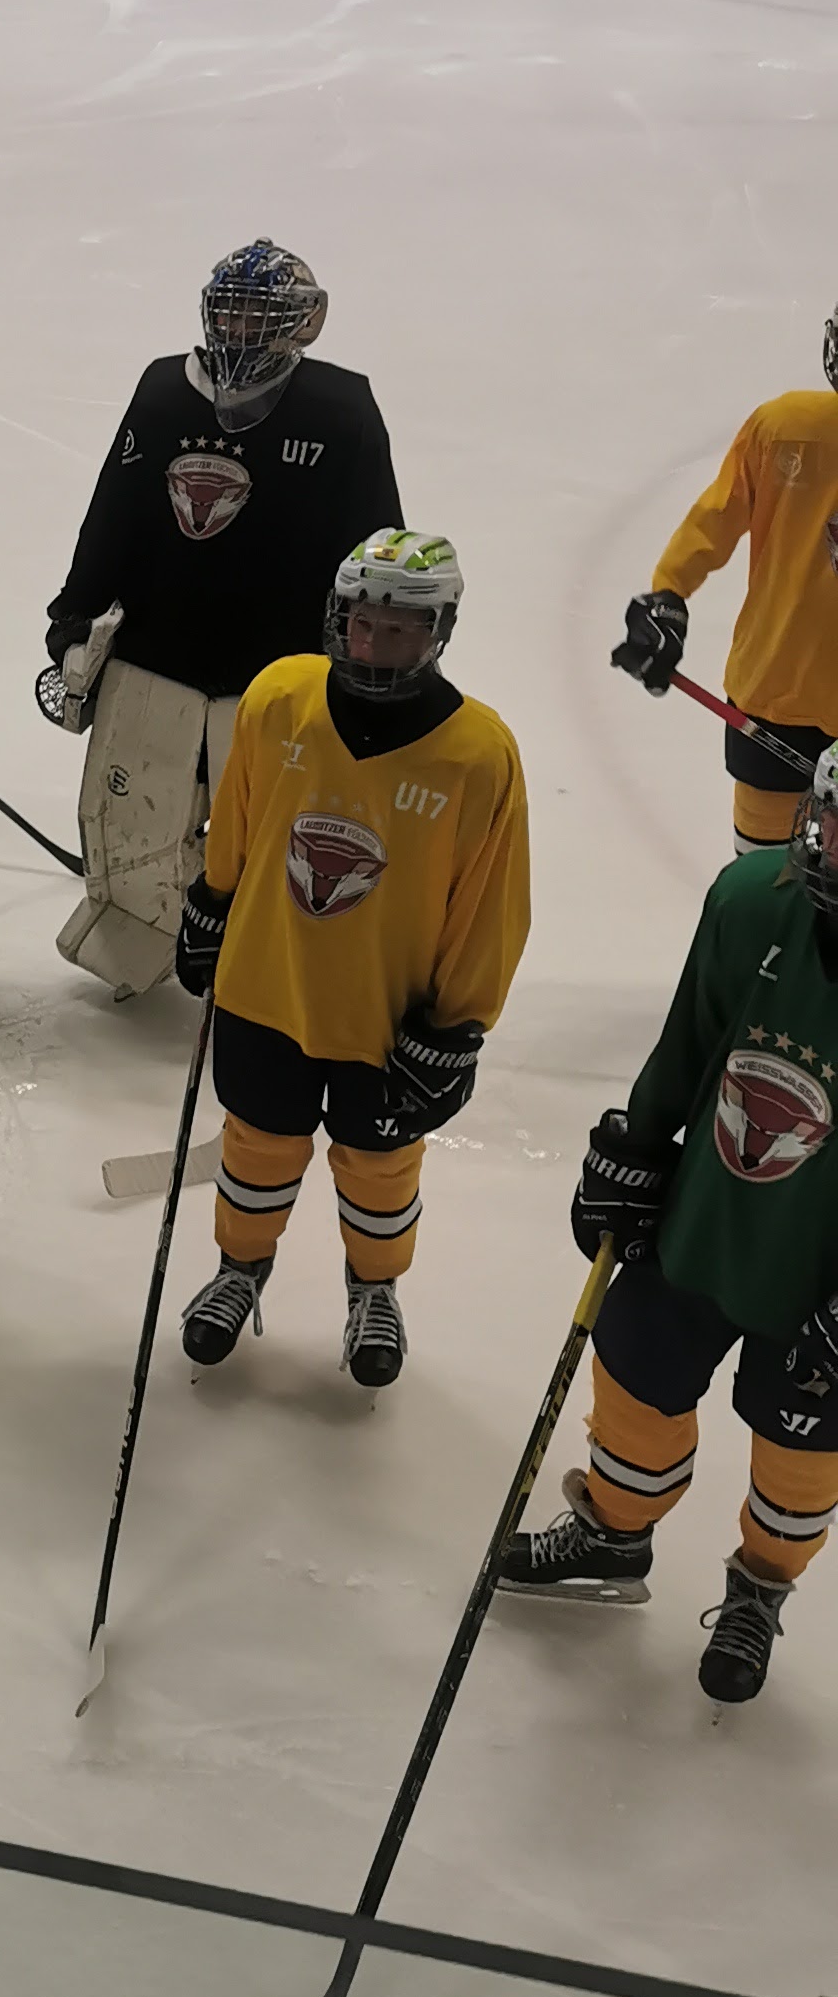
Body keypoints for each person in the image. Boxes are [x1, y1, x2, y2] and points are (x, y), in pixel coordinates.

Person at [501, 739, 838, 1702]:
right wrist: (637, 1152)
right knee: (638, 1367)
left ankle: (760, 1590)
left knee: (803, 1442)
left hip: (822, 1270)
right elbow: (692, 1038)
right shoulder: (749, 900)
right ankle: (613, 1529)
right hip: (708, 1214)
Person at [172, 530, 530, 1392]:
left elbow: (490, 907)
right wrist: (211, 905)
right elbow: (241, 818)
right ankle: (237, 1270)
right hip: (268, 984)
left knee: (379, 1162)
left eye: (398, 630)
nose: (371, 646)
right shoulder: (281, 697)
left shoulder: (478, 754)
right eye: (360, 624)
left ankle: (374, 1288)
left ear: (439, 630)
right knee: (258, 1141)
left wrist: (458, 1023)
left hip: (385, 1013)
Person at [42, 243, 401, 1000]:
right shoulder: (164, 391)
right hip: (155, 658)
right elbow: (115, 509)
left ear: (300, 324)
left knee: (271, 841)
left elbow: (373, 549)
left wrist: (370, 669)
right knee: (132, 826)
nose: (238, 327)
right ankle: (140, 944)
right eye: (229, 309)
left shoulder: (343, 411)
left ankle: (260, 963)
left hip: (277, 679)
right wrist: (74, 616)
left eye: (258, 313)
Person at [612, 314, 838, 854]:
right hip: (779, 699)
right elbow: (717, 517)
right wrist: (669, 594)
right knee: (764, 895)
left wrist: (670, 590)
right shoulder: (784, 429)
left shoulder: (785, 425)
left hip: (776, 690)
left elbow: (714, 518)